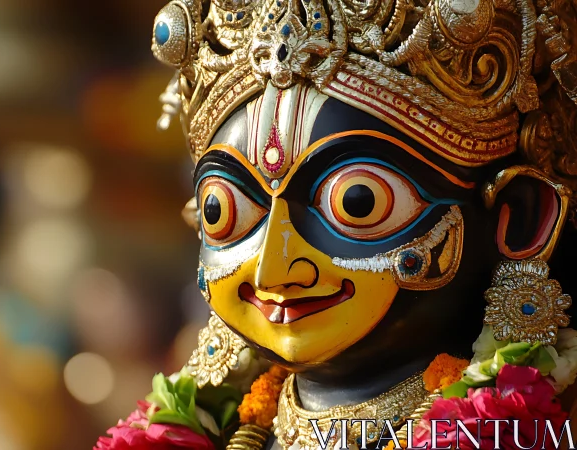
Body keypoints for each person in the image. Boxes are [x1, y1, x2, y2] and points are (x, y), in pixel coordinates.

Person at [97, 0, 577, 448]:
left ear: (518, 220)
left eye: (357, 202)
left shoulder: (527, 428)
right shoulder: (209, 430)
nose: (273, 271)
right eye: (223, 212)